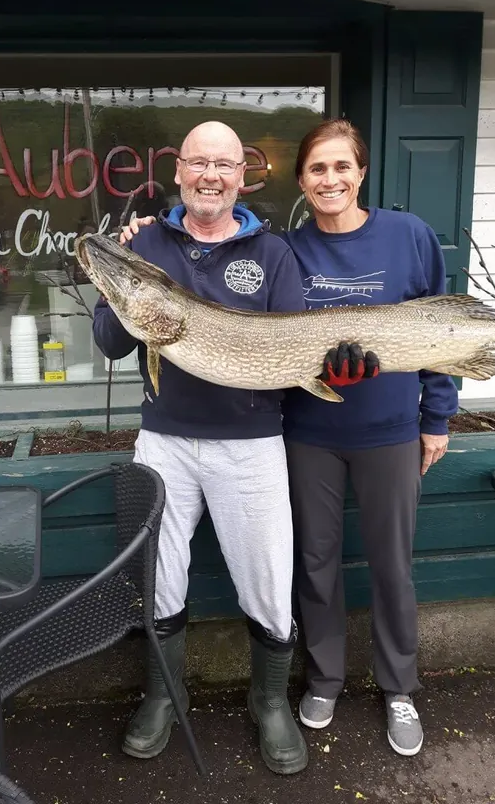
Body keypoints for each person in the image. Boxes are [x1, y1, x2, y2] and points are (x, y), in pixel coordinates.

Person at [93, 121, 369, 775]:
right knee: (157, 577)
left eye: (223, 163)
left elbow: (300, 355)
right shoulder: (146, 243)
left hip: (250, 444)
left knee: (269, 580)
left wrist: (339, 369)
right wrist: (118, 286)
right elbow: (109, 342)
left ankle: (268, 701)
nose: (210, 174)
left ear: (241, 175)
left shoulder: (272, 254)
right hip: (163, 439)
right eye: (198, 163)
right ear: (179, 171)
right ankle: (165, 693)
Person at [280, 118, 458, 758]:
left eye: (341, 167)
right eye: (317, 169)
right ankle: (324, 677)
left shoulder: (408, 236)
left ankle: (399, 687)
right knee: (317, 563)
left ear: (361, 172)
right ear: (302, 180)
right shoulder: (286, 250)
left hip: (389, 431)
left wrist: (437, 416)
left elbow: (440, 326)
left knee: (392, 566)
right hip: (310, 432)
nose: (330, 179)